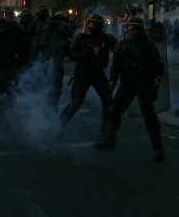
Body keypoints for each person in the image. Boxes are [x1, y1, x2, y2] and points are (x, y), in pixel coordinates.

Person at [94, 17, 166, 161]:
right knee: (114, 112)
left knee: (149, 116)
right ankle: (109, 140)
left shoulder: (148, 45)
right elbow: (116, 66)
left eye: (129, 28)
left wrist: (155, 80)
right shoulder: (122, 45)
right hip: (127, 83)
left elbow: (158, 66)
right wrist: (112, 82)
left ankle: (158, 148)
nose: (127, 30)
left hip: (144, 83)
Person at [60, 14, 118, 129]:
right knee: (76, 102)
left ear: (98, 25)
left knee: (108, 101)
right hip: (82, 73)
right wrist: (82, 56)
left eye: (92, 24)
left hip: (98, 73)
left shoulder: (106, 39)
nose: (88, 26)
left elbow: (118, 52)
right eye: (88, 23)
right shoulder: (80, 38)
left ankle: (106, 128)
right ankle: (59, 126)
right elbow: (71, 54)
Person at [0, 7, 27, 103]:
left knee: (8, 76)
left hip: (10, 55)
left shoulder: (15, 25)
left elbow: (18, 39)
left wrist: (18, 51)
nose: (9, 16)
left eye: (10, 14)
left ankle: (3, 93)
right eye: (7, 14)